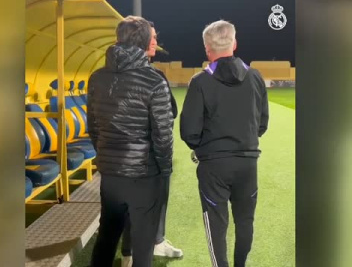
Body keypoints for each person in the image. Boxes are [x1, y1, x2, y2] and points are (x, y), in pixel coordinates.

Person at [180, 20, 269, 267]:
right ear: (234, 43)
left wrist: (205, 147)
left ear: (207, 49)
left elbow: (189, 131)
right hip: (247, 162)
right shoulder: (255, 77)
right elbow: (262, 123)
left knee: (216, 223)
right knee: (245, 221)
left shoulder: (200, 81)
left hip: (214, 165)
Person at [88, 15, 174, 267]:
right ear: (146, 41)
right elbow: (163, 134)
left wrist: (106, 155)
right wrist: (164, 170)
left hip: (110, 174)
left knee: (106, 237)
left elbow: (93, 126)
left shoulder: (97, 77)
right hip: (144, 175)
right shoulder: (154, 80)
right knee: (143, 245)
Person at [120, 21, 182, 267]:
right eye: (153, 37)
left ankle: (142, 247)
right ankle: (134, 251)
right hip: (147, 157)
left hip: (121, 155)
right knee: (143, 206)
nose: (156, 41)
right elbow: (170, 115)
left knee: (131, 205)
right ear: (140, 39)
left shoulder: (108, 73)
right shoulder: (154, 76)